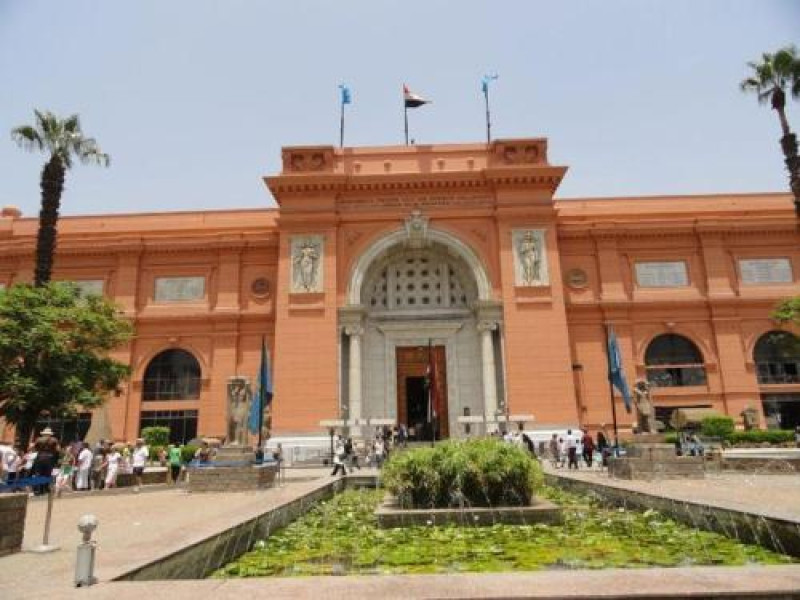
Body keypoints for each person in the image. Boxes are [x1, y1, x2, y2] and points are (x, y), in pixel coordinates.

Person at [31, 428, 60, 496]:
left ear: (43, 433)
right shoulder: (54, 440)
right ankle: (45, 489)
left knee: (38, 474)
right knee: (47, 474)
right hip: (49, 458)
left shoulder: (38, 439)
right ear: (50, 434)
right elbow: (58, 449)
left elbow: (33, 448)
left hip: (40, 457)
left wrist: (38, 450)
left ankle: (37, 490)